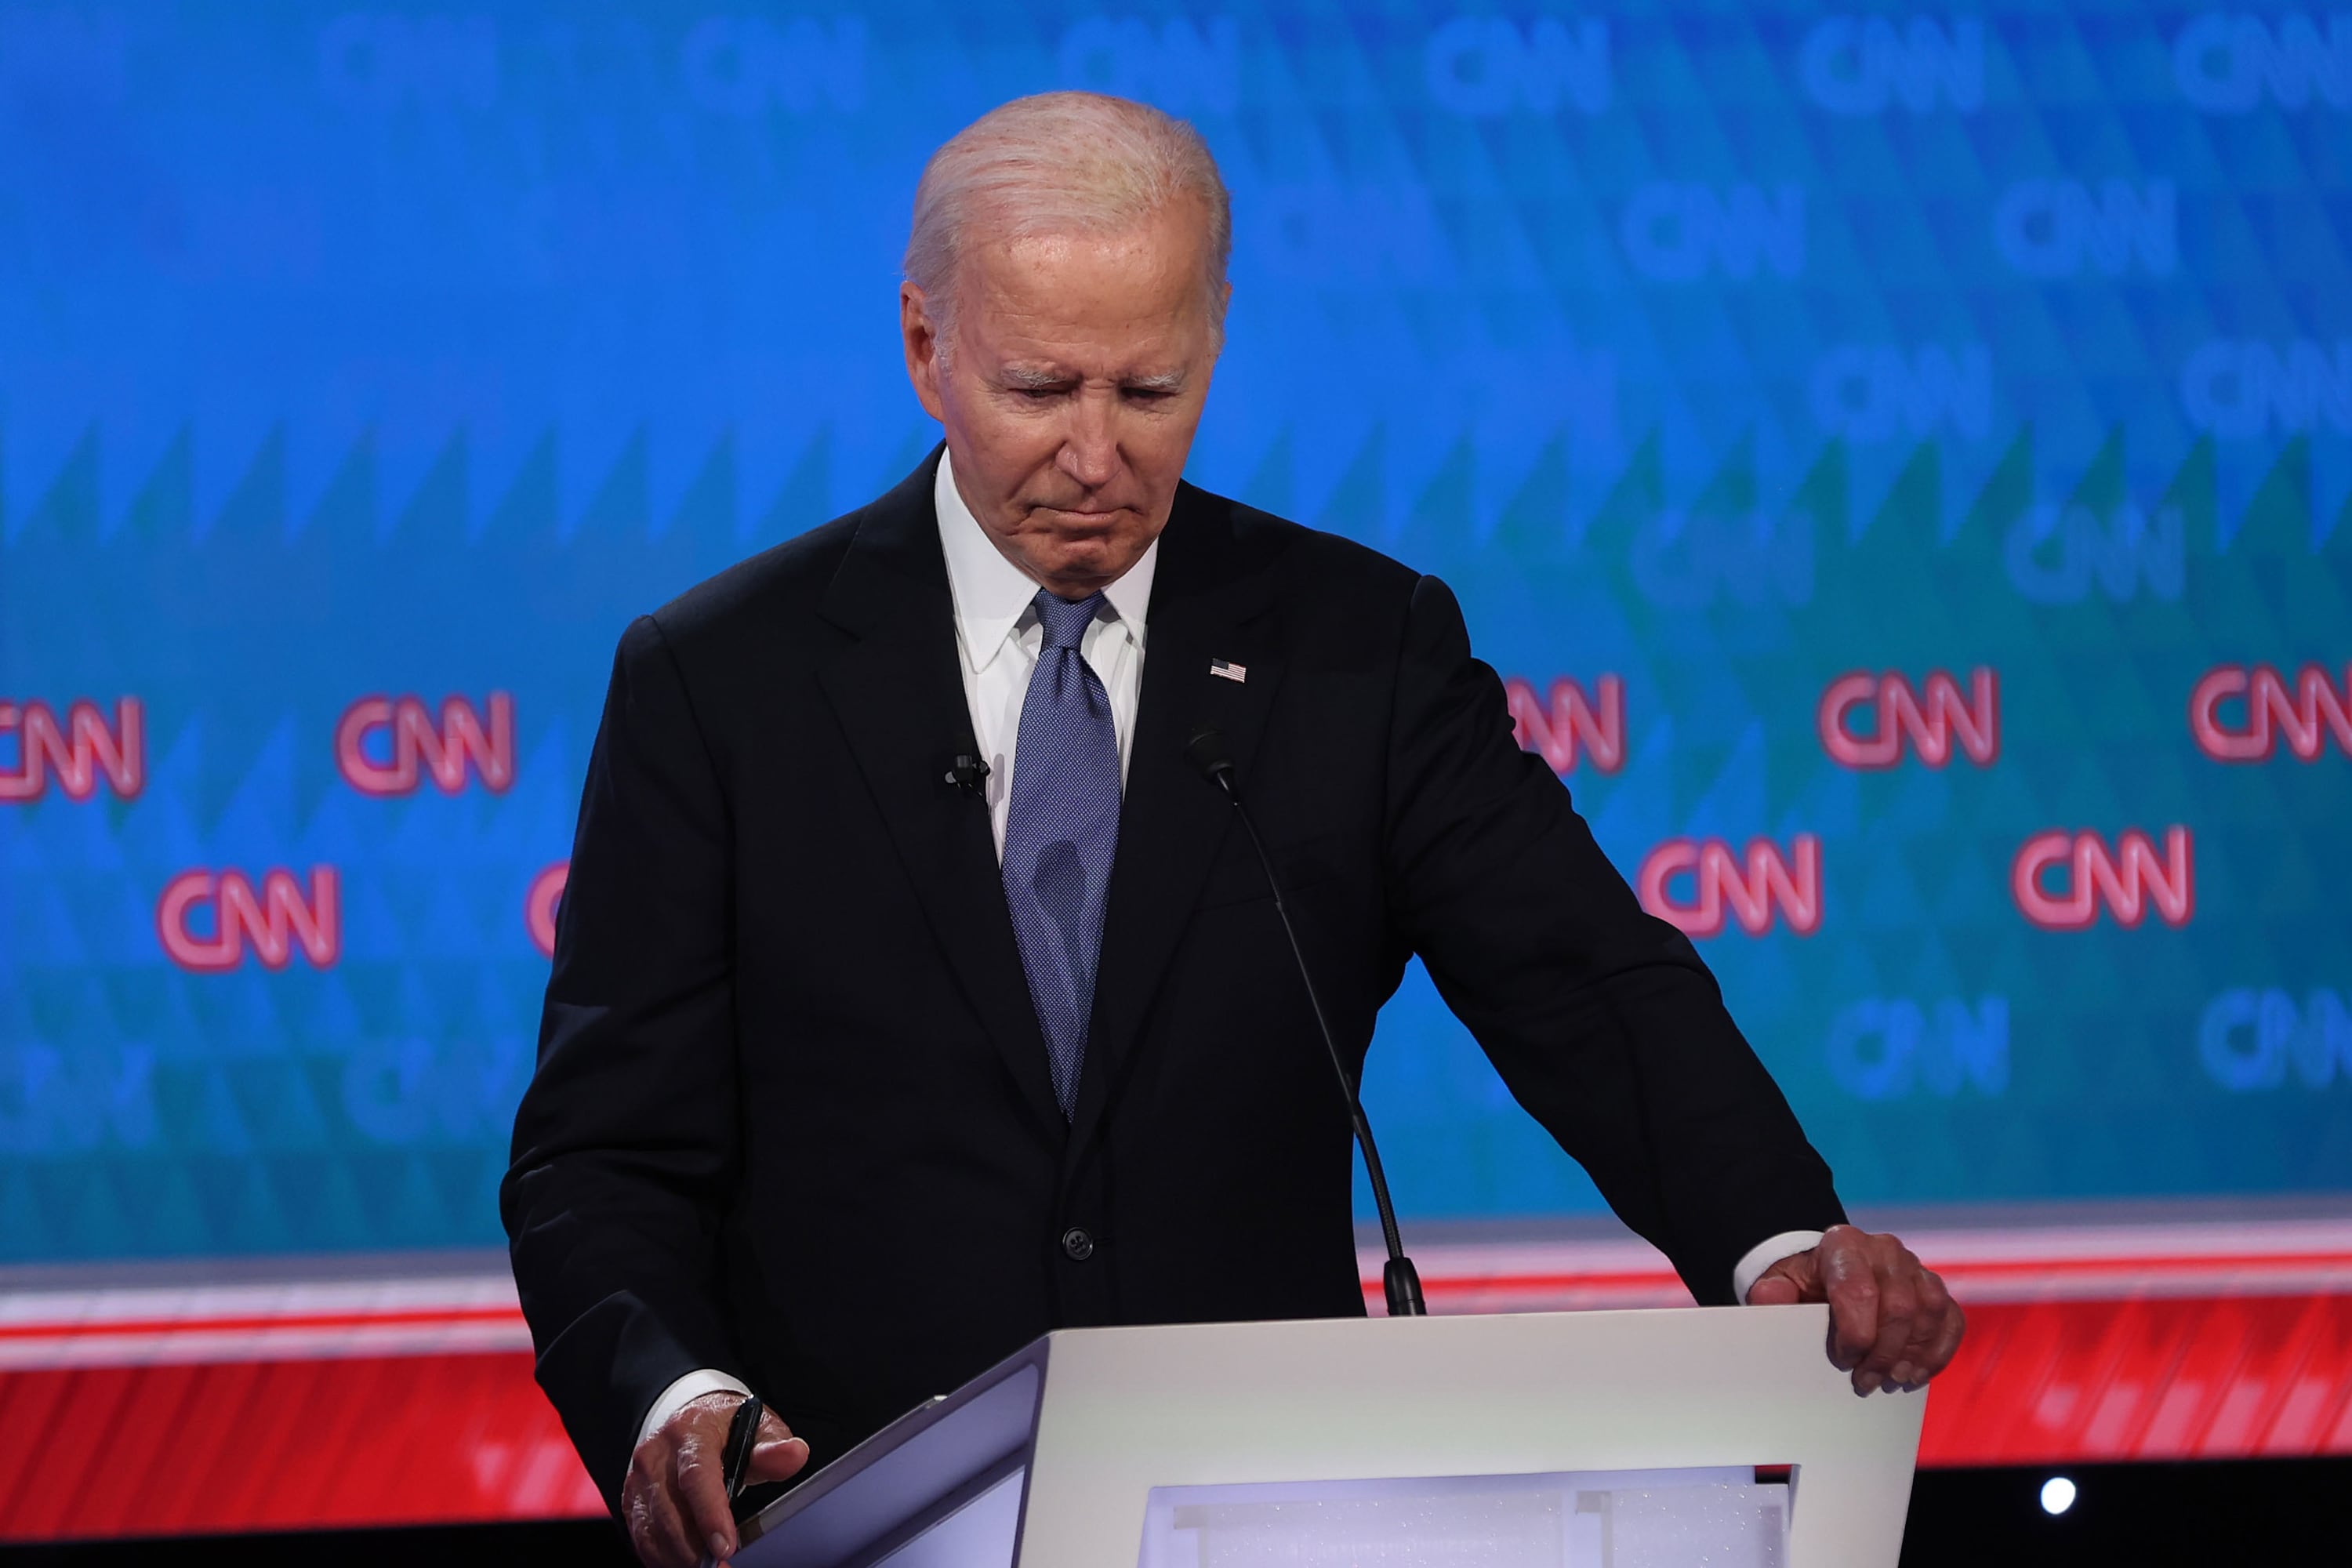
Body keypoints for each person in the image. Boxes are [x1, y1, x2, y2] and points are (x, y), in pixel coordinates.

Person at [502, 90, 1965, 1568]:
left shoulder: (1360, 651)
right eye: (1041, 388)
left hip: (1265, 1511)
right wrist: (670, 1394)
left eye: (1148, 393)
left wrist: (1776, 1238)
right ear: (926, 346)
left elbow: (1584, 984)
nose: (1094, 455)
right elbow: (601, 1155)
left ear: (1214, 345)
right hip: (863, 1515)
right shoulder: (722, 680)